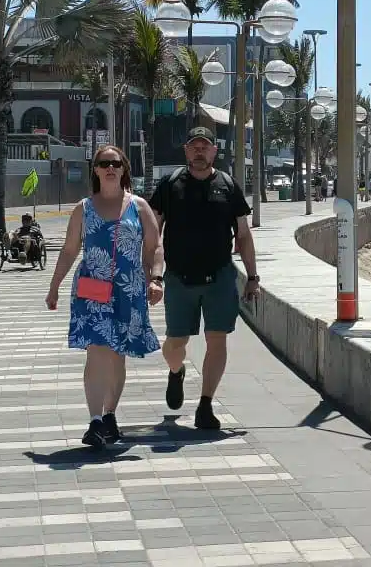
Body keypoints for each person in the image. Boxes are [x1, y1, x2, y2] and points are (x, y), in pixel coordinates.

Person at [46, 146, 162, 450]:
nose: (110, 168)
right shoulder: (83, 208)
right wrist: (54, 286)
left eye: (115, 163)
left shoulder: (139, 206)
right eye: (103, 164)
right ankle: (95, 420)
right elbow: (70, 249)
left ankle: (110, 413)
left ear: (124, 169)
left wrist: (156, 279)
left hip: (129, 289)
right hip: (91, 289)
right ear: (95, 170)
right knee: (97, 349)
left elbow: (154, 247)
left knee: (116, 354)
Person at [149, 127, 260, 431]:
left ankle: (205, 405)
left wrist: (252, 275)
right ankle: (176, 371)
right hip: (179, 278)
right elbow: (154, 234)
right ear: (186, 150)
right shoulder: (170, 185)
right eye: (194, 146)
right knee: (175, 342)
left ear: (214, 151)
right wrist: (154, 275)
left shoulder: (227, 185)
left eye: (205, 146)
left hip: (220, 276)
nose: (200, 151)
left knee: (217, 338)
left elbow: (244, 234)